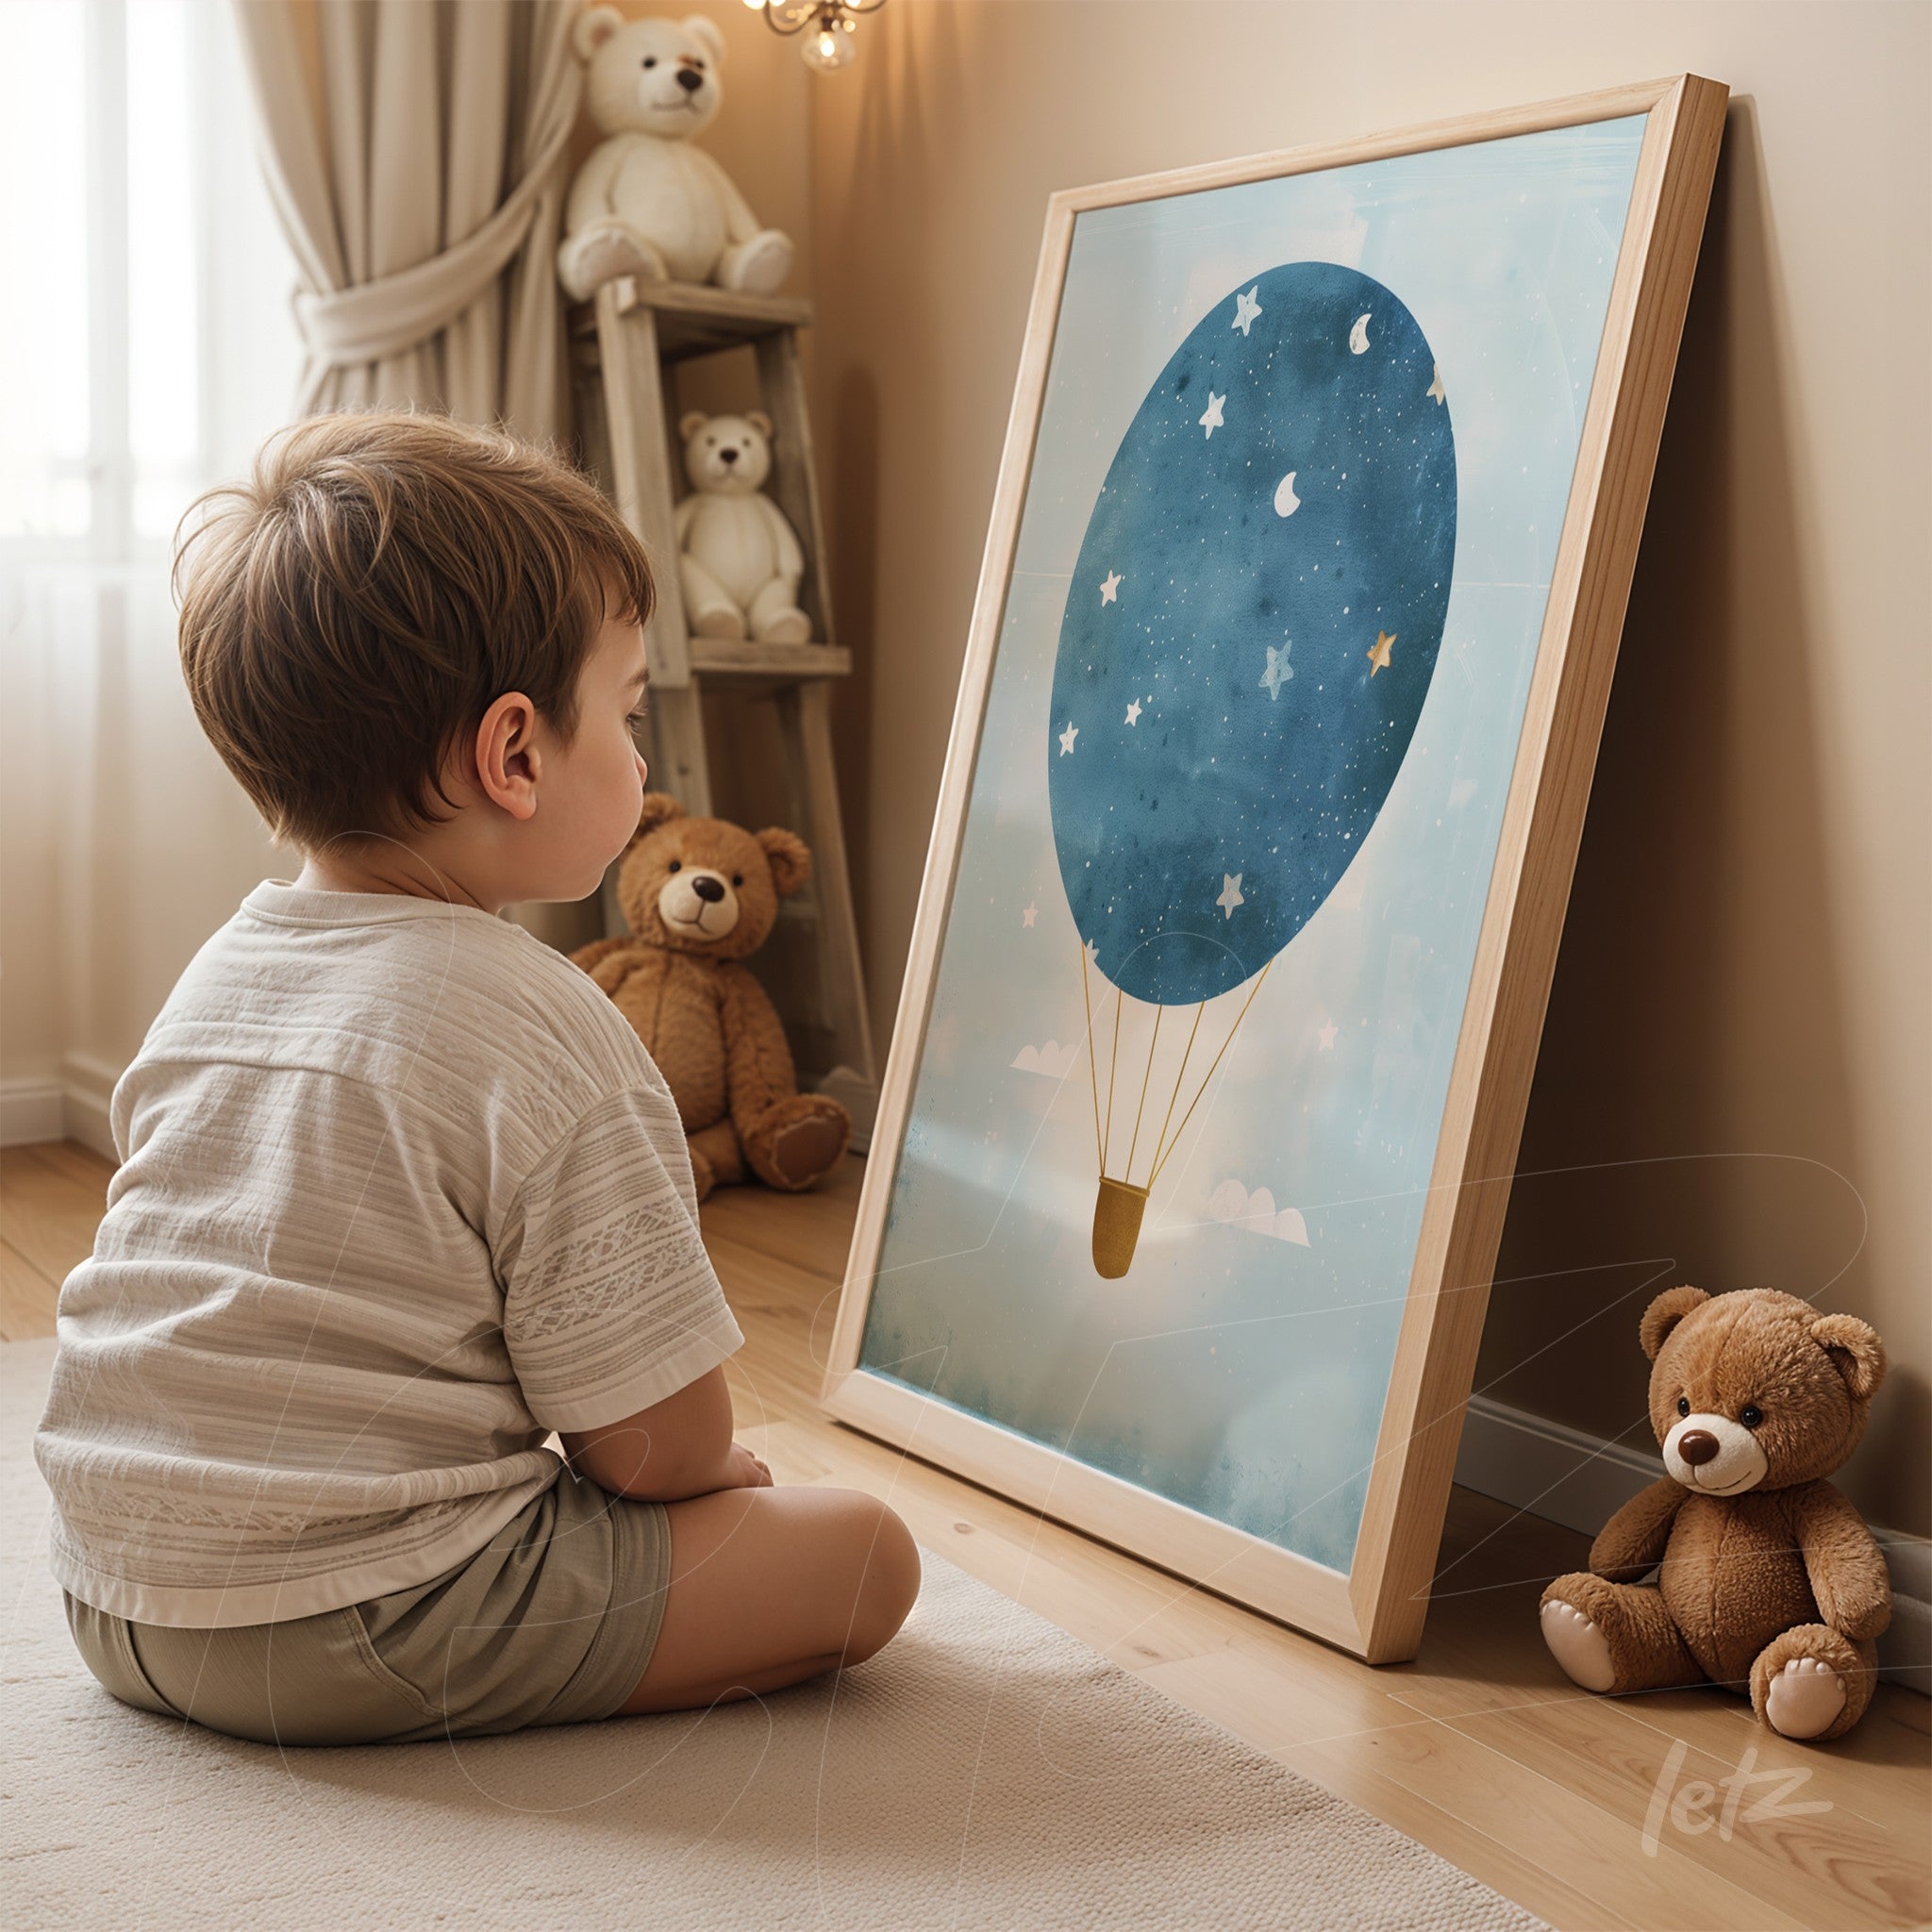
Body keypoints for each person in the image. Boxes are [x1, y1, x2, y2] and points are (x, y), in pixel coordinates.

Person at [32, 409, 919, 1746]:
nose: (642, 763)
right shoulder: (543, 1023)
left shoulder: (221, 972)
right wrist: (717, 1479)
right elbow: (649, 1450)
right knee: (865, 1553)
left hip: (113, 1594)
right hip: (348, 1618)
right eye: (626, 717)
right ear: (513, 757)